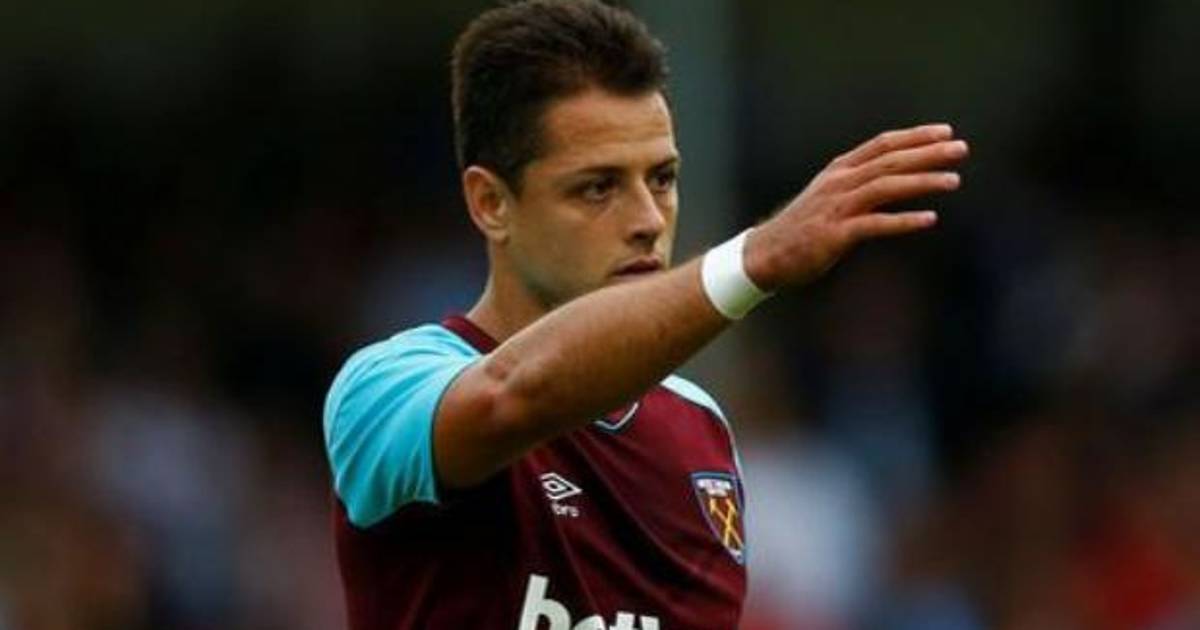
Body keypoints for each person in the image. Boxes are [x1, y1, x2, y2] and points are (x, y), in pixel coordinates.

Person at [321, 1, 969, 628]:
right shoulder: (387, 390)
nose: (648, 220)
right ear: (491, 202)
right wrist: (751, 260)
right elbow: (513, 395)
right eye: (597, 187)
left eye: (661, 179)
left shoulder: (697, 429)